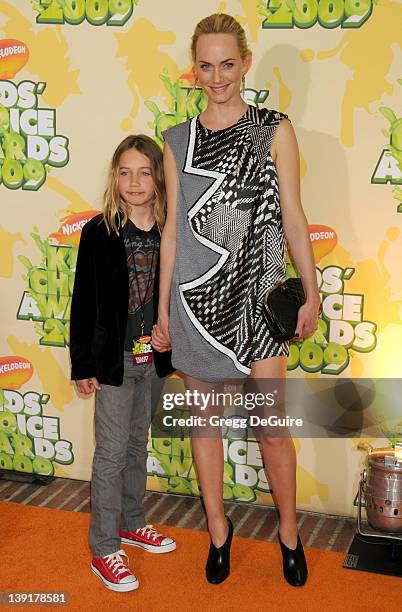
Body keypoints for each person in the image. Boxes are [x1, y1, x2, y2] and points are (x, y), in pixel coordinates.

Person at [152, 14, 320, 587]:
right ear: (193, 69)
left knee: (273, 429)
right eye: (206, 64)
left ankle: (290, 535)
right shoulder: (177, 140)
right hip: (196, 303)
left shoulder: (275, 130)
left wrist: (312, 291)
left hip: (265, 298)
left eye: (228, 63)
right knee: (207, 427)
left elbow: (294, 218)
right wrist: (161, 312)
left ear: (245, 63)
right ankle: (219, 531)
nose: (217, 76)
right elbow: (173, 229)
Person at [70, 135, 176, 593]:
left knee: (137, 445)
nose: (134, 182)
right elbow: (83, 303)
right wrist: (83, 364)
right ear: (115, 177)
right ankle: (104, 548)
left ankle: (134, 523)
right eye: (125, 172)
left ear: (159, 179)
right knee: (111, 454)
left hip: (154, 360)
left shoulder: (172, 231)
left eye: (145, 172)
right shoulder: (99, 231)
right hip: (112, 363)